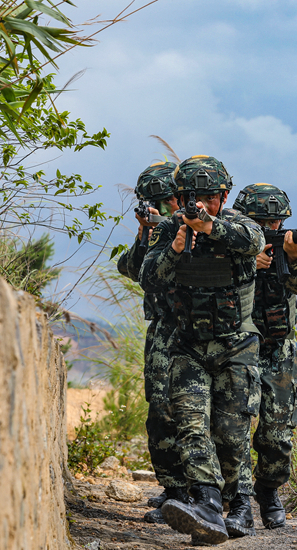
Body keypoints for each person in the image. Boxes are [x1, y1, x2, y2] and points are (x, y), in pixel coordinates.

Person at [139, 156, 265, 544]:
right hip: (187, 346)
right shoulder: (170, 230)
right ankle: (207, 506)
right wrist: (176, 247)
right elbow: (148, 278)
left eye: (211, 197)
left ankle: (240, 505)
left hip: (234, 346)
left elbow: (252, 242)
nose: (203, 204)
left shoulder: (240, 225)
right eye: (193, 198)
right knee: (191, 424)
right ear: (178, 199)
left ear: (224, 195)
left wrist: (210, 227)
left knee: (231, 430)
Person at [232, 183, 297, 529]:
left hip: (278, 348)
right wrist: (251, 262)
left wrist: (292, 257)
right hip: (240, 344)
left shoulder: (285, 246)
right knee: (232, 425)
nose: (272, 228)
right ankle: (237, 497)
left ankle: (268, 489)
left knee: (277, 431)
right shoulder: (231, 246)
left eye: (276, 222)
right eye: (263, 222)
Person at [116, 162, 188, 523]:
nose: (164, 207)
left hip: (200, 330)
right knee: (160, 409)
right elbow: (131, 269)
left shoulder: (200, 224)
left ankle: (206, 490)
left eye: (167, 201)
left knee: (199, 413)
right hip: (163, 328)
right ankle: (174, 489)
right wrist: (146, 232)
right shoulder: (158, 230)